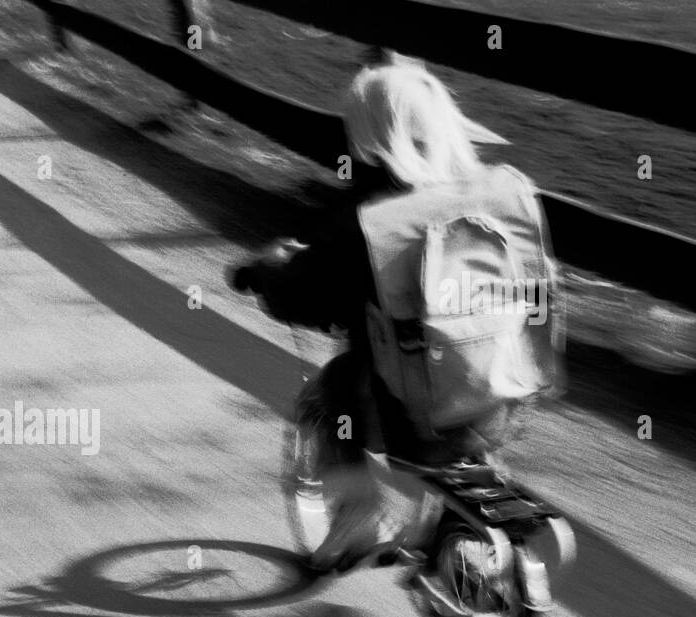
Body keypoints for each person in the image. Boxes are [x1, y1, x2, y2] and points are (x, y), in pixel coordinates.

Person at [231, 56, 558, 572]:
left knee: (338, 385)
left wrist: (265, 275)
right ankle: (464, 535)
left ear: (366, 136)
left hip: (411, 417)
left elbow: (307, 296)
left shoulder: (370, 223)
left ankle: (359, 513)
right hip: (508, 390)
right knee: (462, 396)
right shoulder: (504, 191)